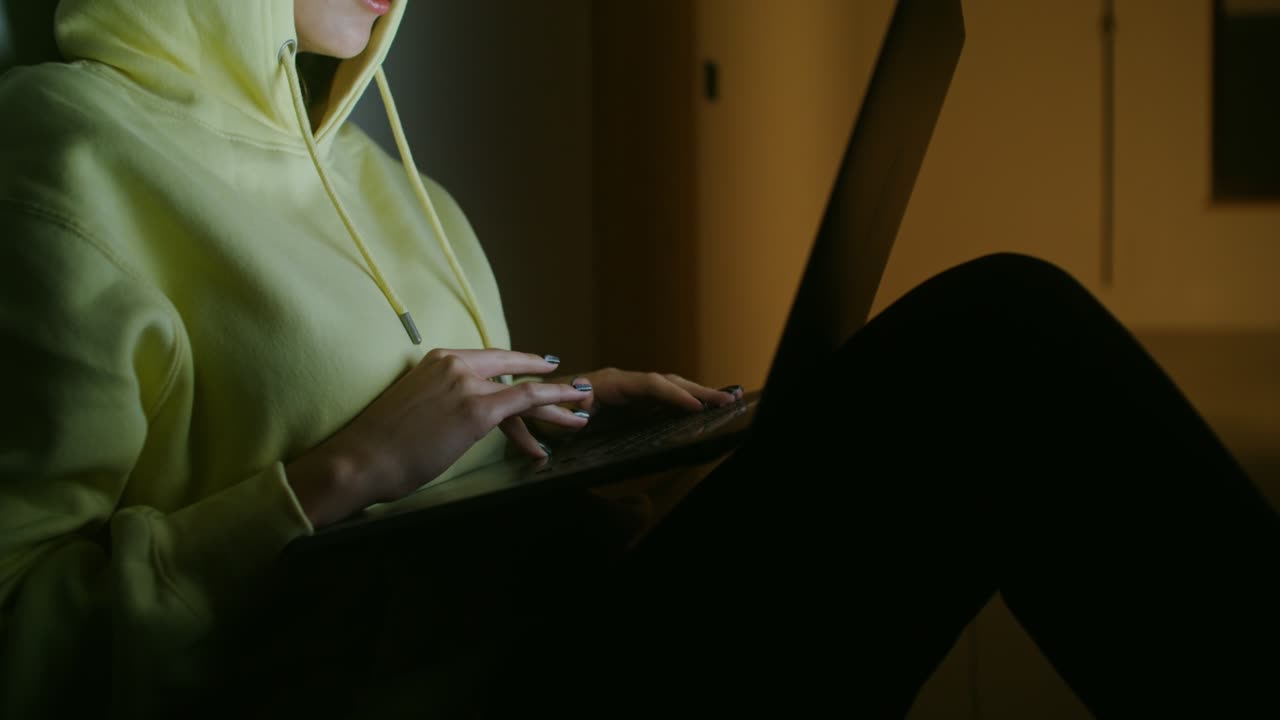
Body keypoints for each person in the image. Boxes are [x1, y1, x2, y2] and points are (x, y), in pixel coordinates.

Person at [0, 1, 1275, 717]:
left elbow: (462, 536)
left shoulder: (404, 194)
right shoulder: (61, 162)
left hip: (555, 654)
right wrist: (338, 476)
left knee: (999, 360)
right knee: (1000, 350)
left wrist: (568, 465)